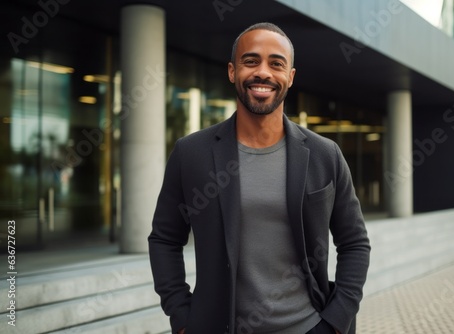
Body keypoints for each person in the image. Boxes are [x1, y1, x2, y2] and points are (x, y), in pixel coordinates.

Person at [148, 22, 370, 334]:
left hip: (307, 326)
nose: (263, 72)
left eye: (276, 63)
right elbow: (164, 239)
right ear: (231, 71)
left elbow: (355, 242)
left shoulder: (325, 154)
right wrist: (182, 316)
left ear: (290, 77)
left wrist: (336, 320)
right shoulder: (191, 153)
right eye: (250, 61)